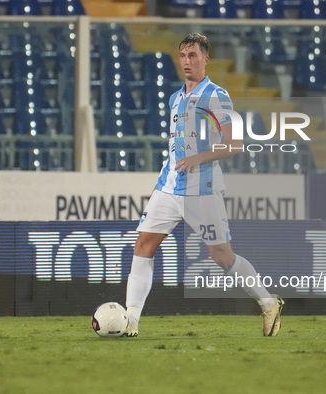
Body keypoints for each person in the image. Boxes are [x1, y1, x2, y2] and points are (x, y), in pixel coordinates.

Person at [124, 33, 283, 337]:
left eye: (193, 55)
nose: (187, 61)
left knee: (222, 257)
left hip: (203, 189)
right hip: (168, 186)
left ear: (206, 59)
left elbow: (234, 144)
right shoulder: (175, 98)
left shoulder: (217, 96)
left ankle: (268, 303)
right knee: (143, 245)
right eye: (183, 55)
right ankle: (131, 322)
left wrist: (201, 156)